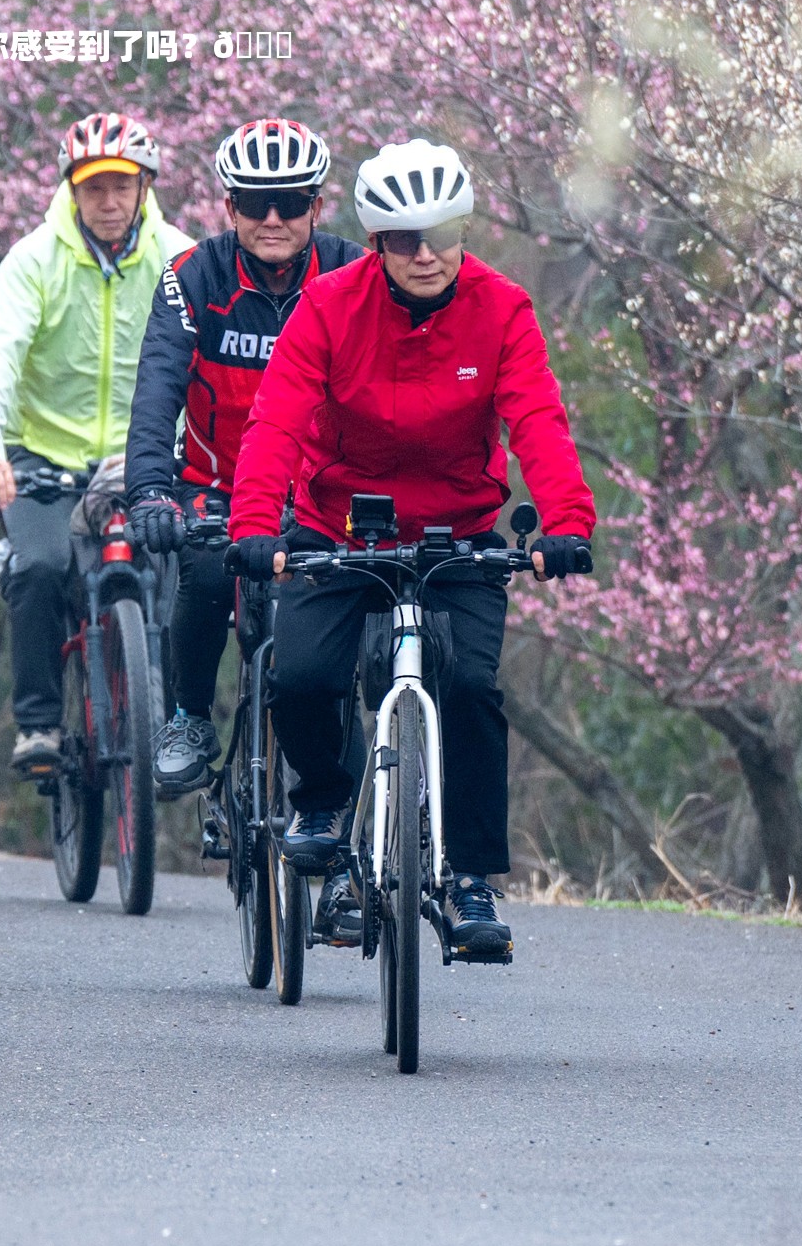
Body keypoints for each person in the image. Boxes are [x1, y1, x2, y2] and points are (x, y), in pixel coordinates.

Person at [226, 138, 594, 964]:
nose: (425, 254)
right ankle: (321, 802)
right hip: (338, 527)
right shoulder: (327, 306)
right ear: (376, 242)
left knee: (468, 683)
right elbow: (277, 420)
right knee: (304, 675)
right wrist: (256, 526)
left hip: (456, 533)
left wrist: (566, 524)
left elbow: (537, 417)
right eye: (402, 239)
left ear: (463, 229)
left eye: (442, 233)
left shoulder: (502, 310)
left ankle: (468, 881)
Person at [124, 117, 358, 796]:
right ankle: (189, 717)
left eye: (293, 201)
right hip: (218, 485)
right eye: (257, 202)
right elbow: (158, 387)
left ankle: (357, 808)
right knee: (201, 562)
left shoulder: (351, 273)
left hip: (321, 493)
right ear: (230, 208)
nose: (275, 217)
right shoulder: (192, 276)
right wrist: (147, 491)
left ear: (318, 205)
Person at [0, 112, 191, 782]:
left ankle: (176, 726)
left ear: (145, 186)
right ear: (71, 191)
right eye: (95, 189)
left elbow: (210, 360)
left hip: (146, 459)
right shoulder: (35, 260)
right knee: (36, 567)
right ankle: (38, 722)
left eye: (122, 186)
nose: (110, 202)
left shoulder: (181, 258)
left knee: (187, 576)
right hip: (46, 462)